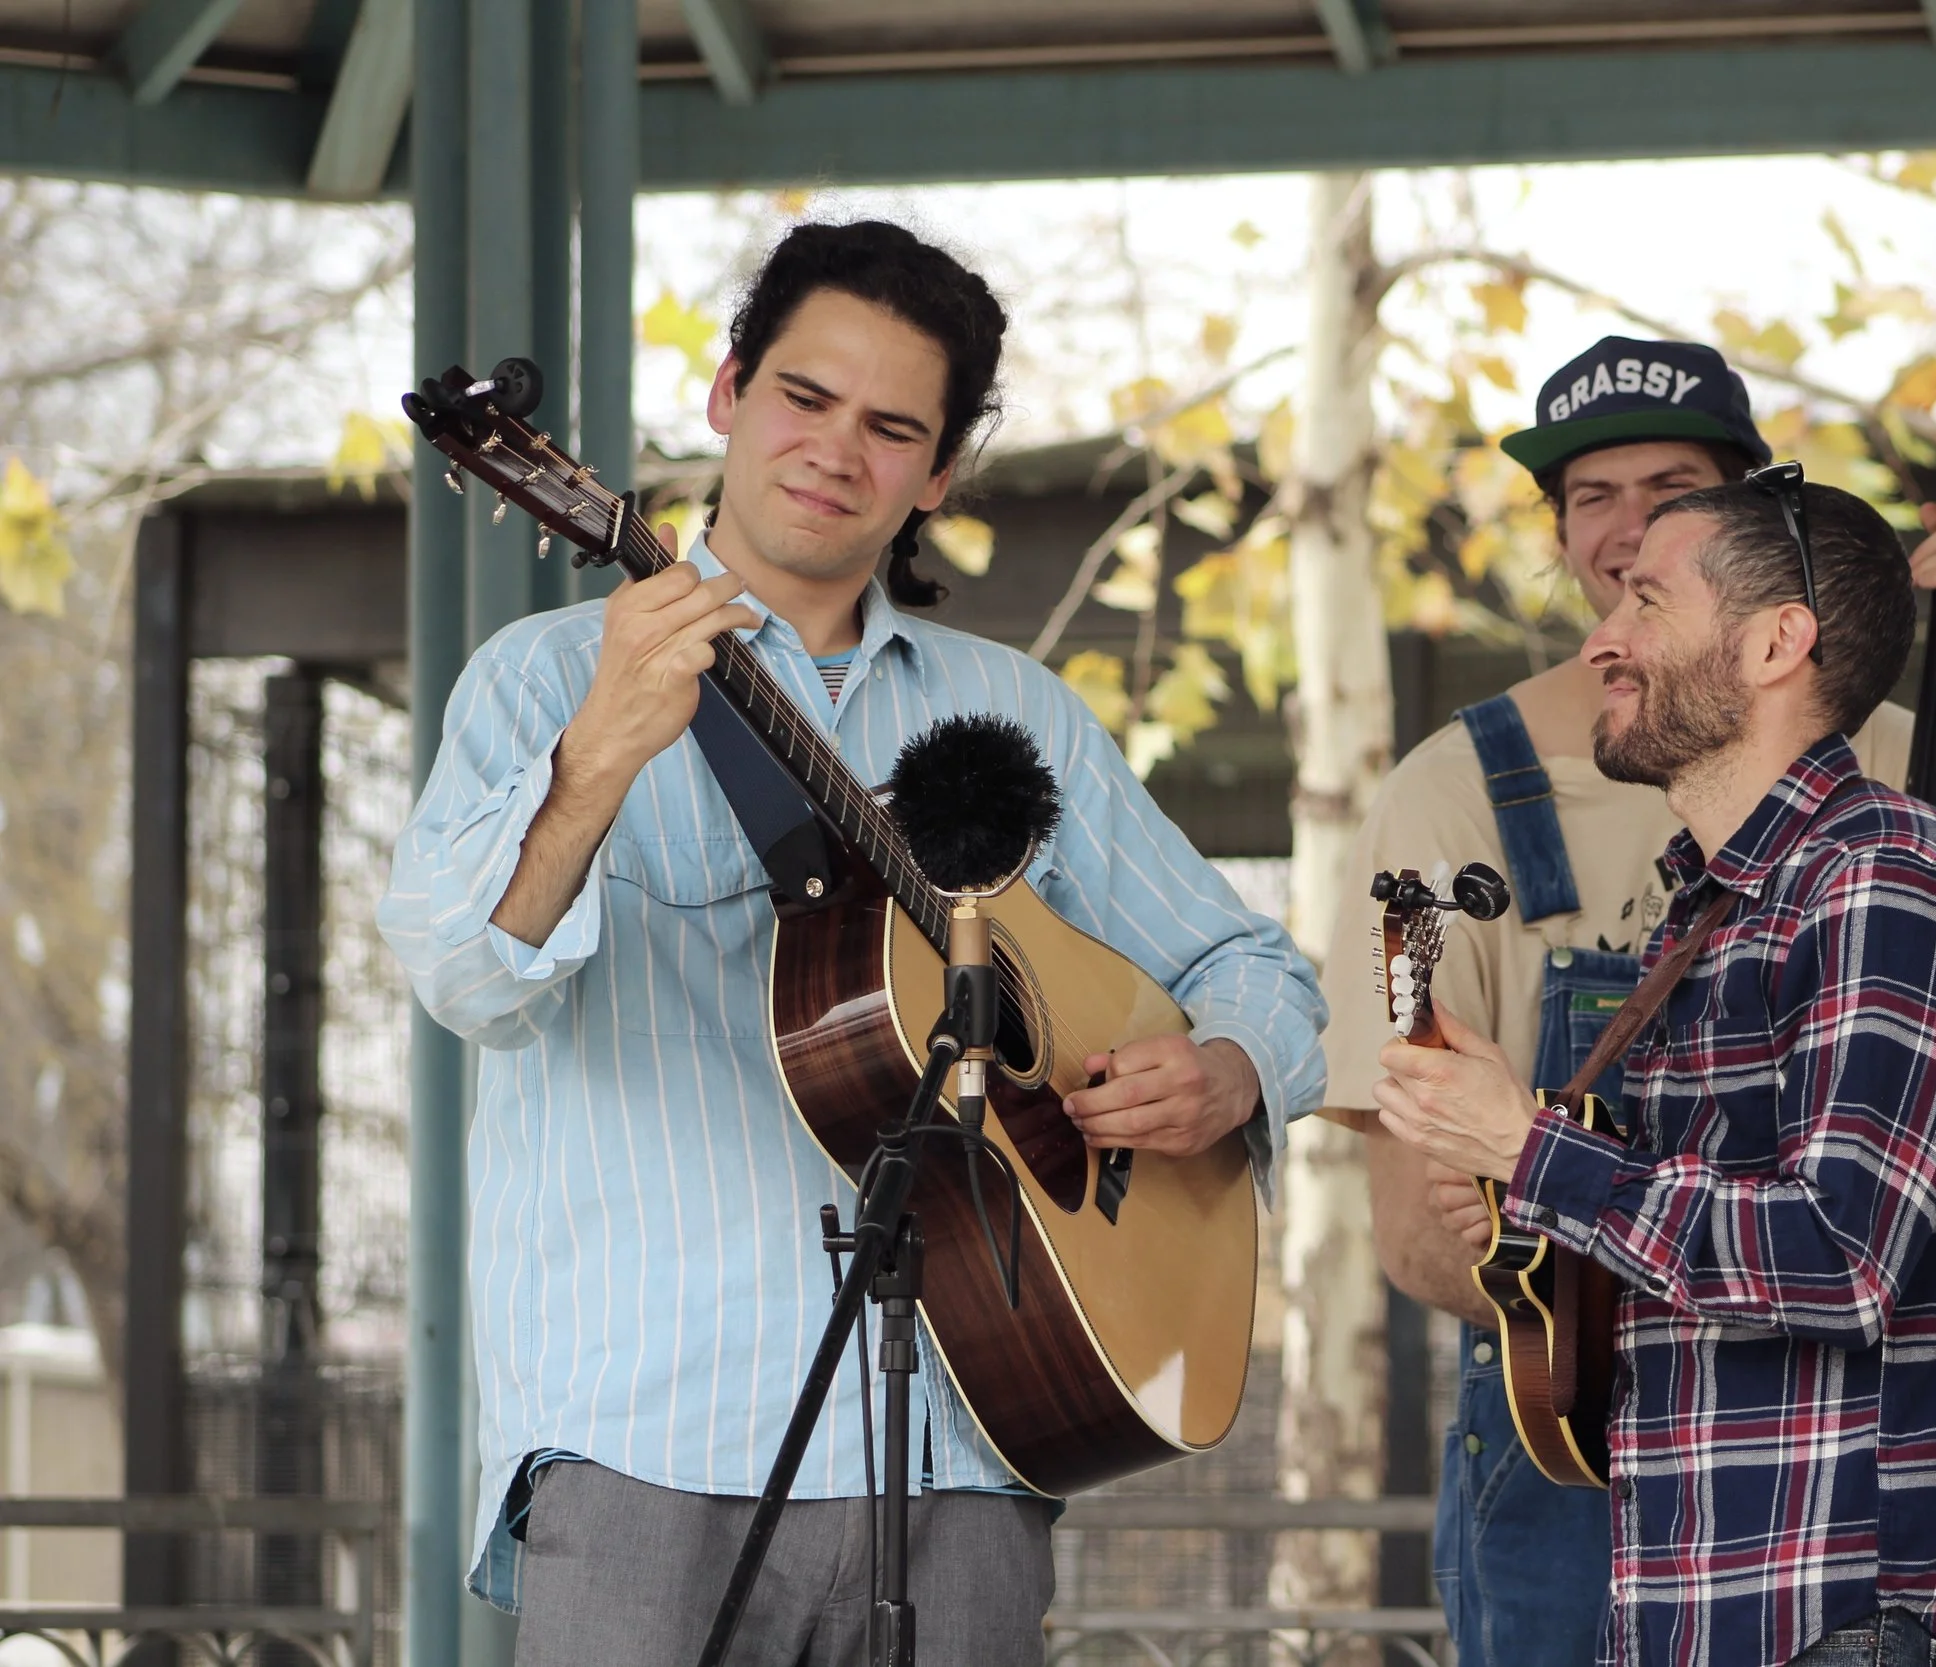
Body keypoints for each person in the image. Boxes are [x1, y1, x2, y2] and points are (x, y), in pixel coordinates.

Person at [379, 220, 1327, 1667]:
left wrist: (1230, 1072)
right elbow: (459, 974)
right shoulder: (541, 682)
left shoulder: (1021, 711)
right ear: (728, 395)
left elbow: (1262, 973)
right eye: (805, 399)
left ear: (939, 476)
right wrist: (595, 760)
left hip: (961, 1442)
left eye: (893, 428)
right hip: (648, 1448)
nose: (837, 451)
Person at [1315, 338, 1936, 1667]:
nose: (1607, 615)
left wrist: (1528, 1153)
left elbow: (1839, 1251)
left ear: (1778, 630)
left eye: (1659, 562)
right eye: (1595, 501)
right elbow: (1423, 1111)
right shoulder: (1633, 866)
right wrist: (1514, 1236)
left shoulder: (1885, 858)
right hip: (1662, 1494)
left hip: (1856, 1595)